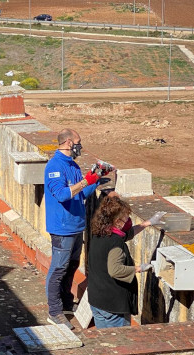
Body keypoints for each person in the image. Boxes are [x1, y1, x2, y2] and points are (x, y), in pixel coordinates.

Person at [44, 128, 104, 329]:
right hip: (62, 229)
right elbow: (62, 194)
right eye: (79, 142)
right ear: (69, 143)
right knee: (58, 269)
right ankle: (54, 312)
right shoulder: (55, 167)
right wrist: (85, 181)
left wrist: (95, 180)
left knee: (70, 267)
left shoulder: (73, 166)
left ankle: (66, 304)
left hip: (76, 226)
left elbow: (81, 194)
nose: (80, 146)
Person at [88, 196, 166, 329]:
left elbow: (127, 234)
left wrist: (147, 223)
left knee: (105, 341)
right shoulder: (115, 243)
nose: (128, 221)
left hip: (97, 300)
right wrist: (139, 268)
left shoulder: (99, 233)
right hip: (112, 306)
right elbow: (115, 270)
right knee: (120, 344)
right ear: (117, 221)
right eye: (125, 219)